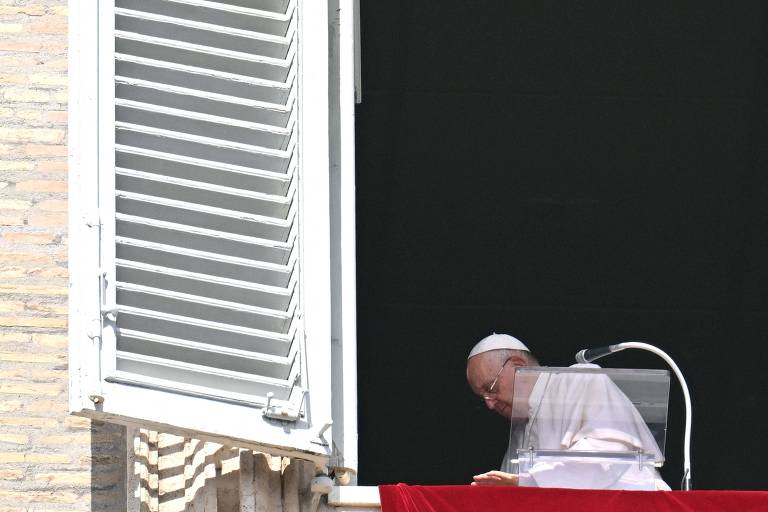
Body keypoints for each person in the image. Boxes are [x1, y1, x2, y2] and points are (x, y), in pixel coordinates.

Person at [466, 333, 670, 490]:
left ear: (518, 365)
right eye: (482, 397)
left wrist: (528, 481)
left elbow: (607, 458)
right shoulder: (519, 431)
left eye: (491, 389)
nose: (490, 404)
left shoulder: (579, 381)